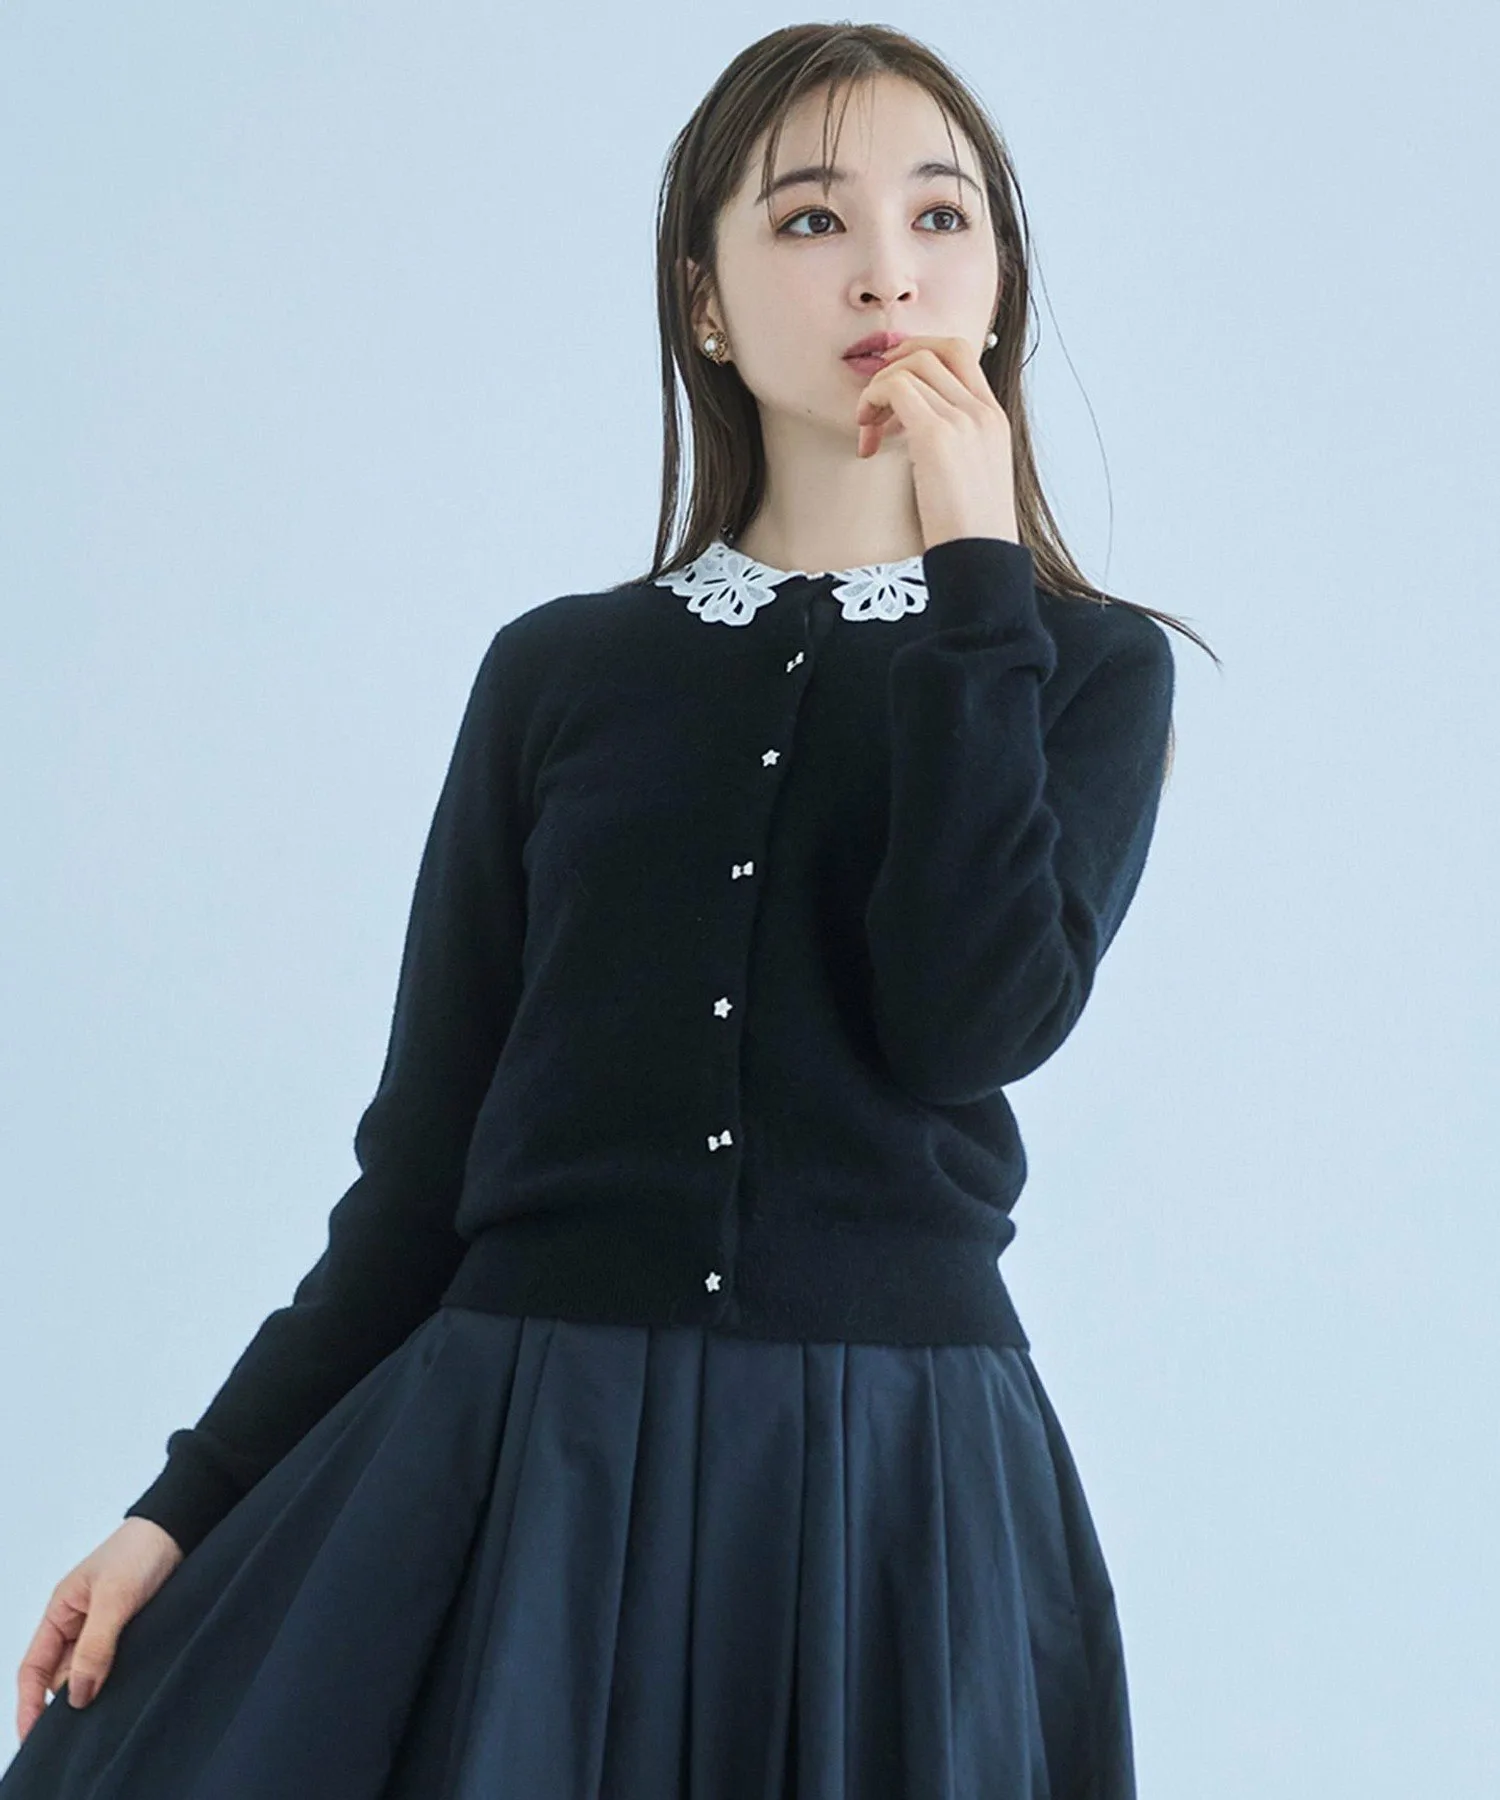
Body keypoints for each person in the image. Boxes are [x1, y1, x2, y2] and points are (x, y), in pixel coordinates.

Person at [5, 22, 1216, 1799]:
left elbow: (966, 1023)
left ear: (999, 282)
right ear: (706, 303)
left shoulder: (1083, 670)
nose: (887, 270)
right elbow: (422, 1172)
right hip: (533, 1467)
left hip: (888, 1488)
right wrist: (180, 1509)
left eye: (941, 216)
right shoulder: (558, 674)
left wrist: (975, 573)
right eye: (811, 219)